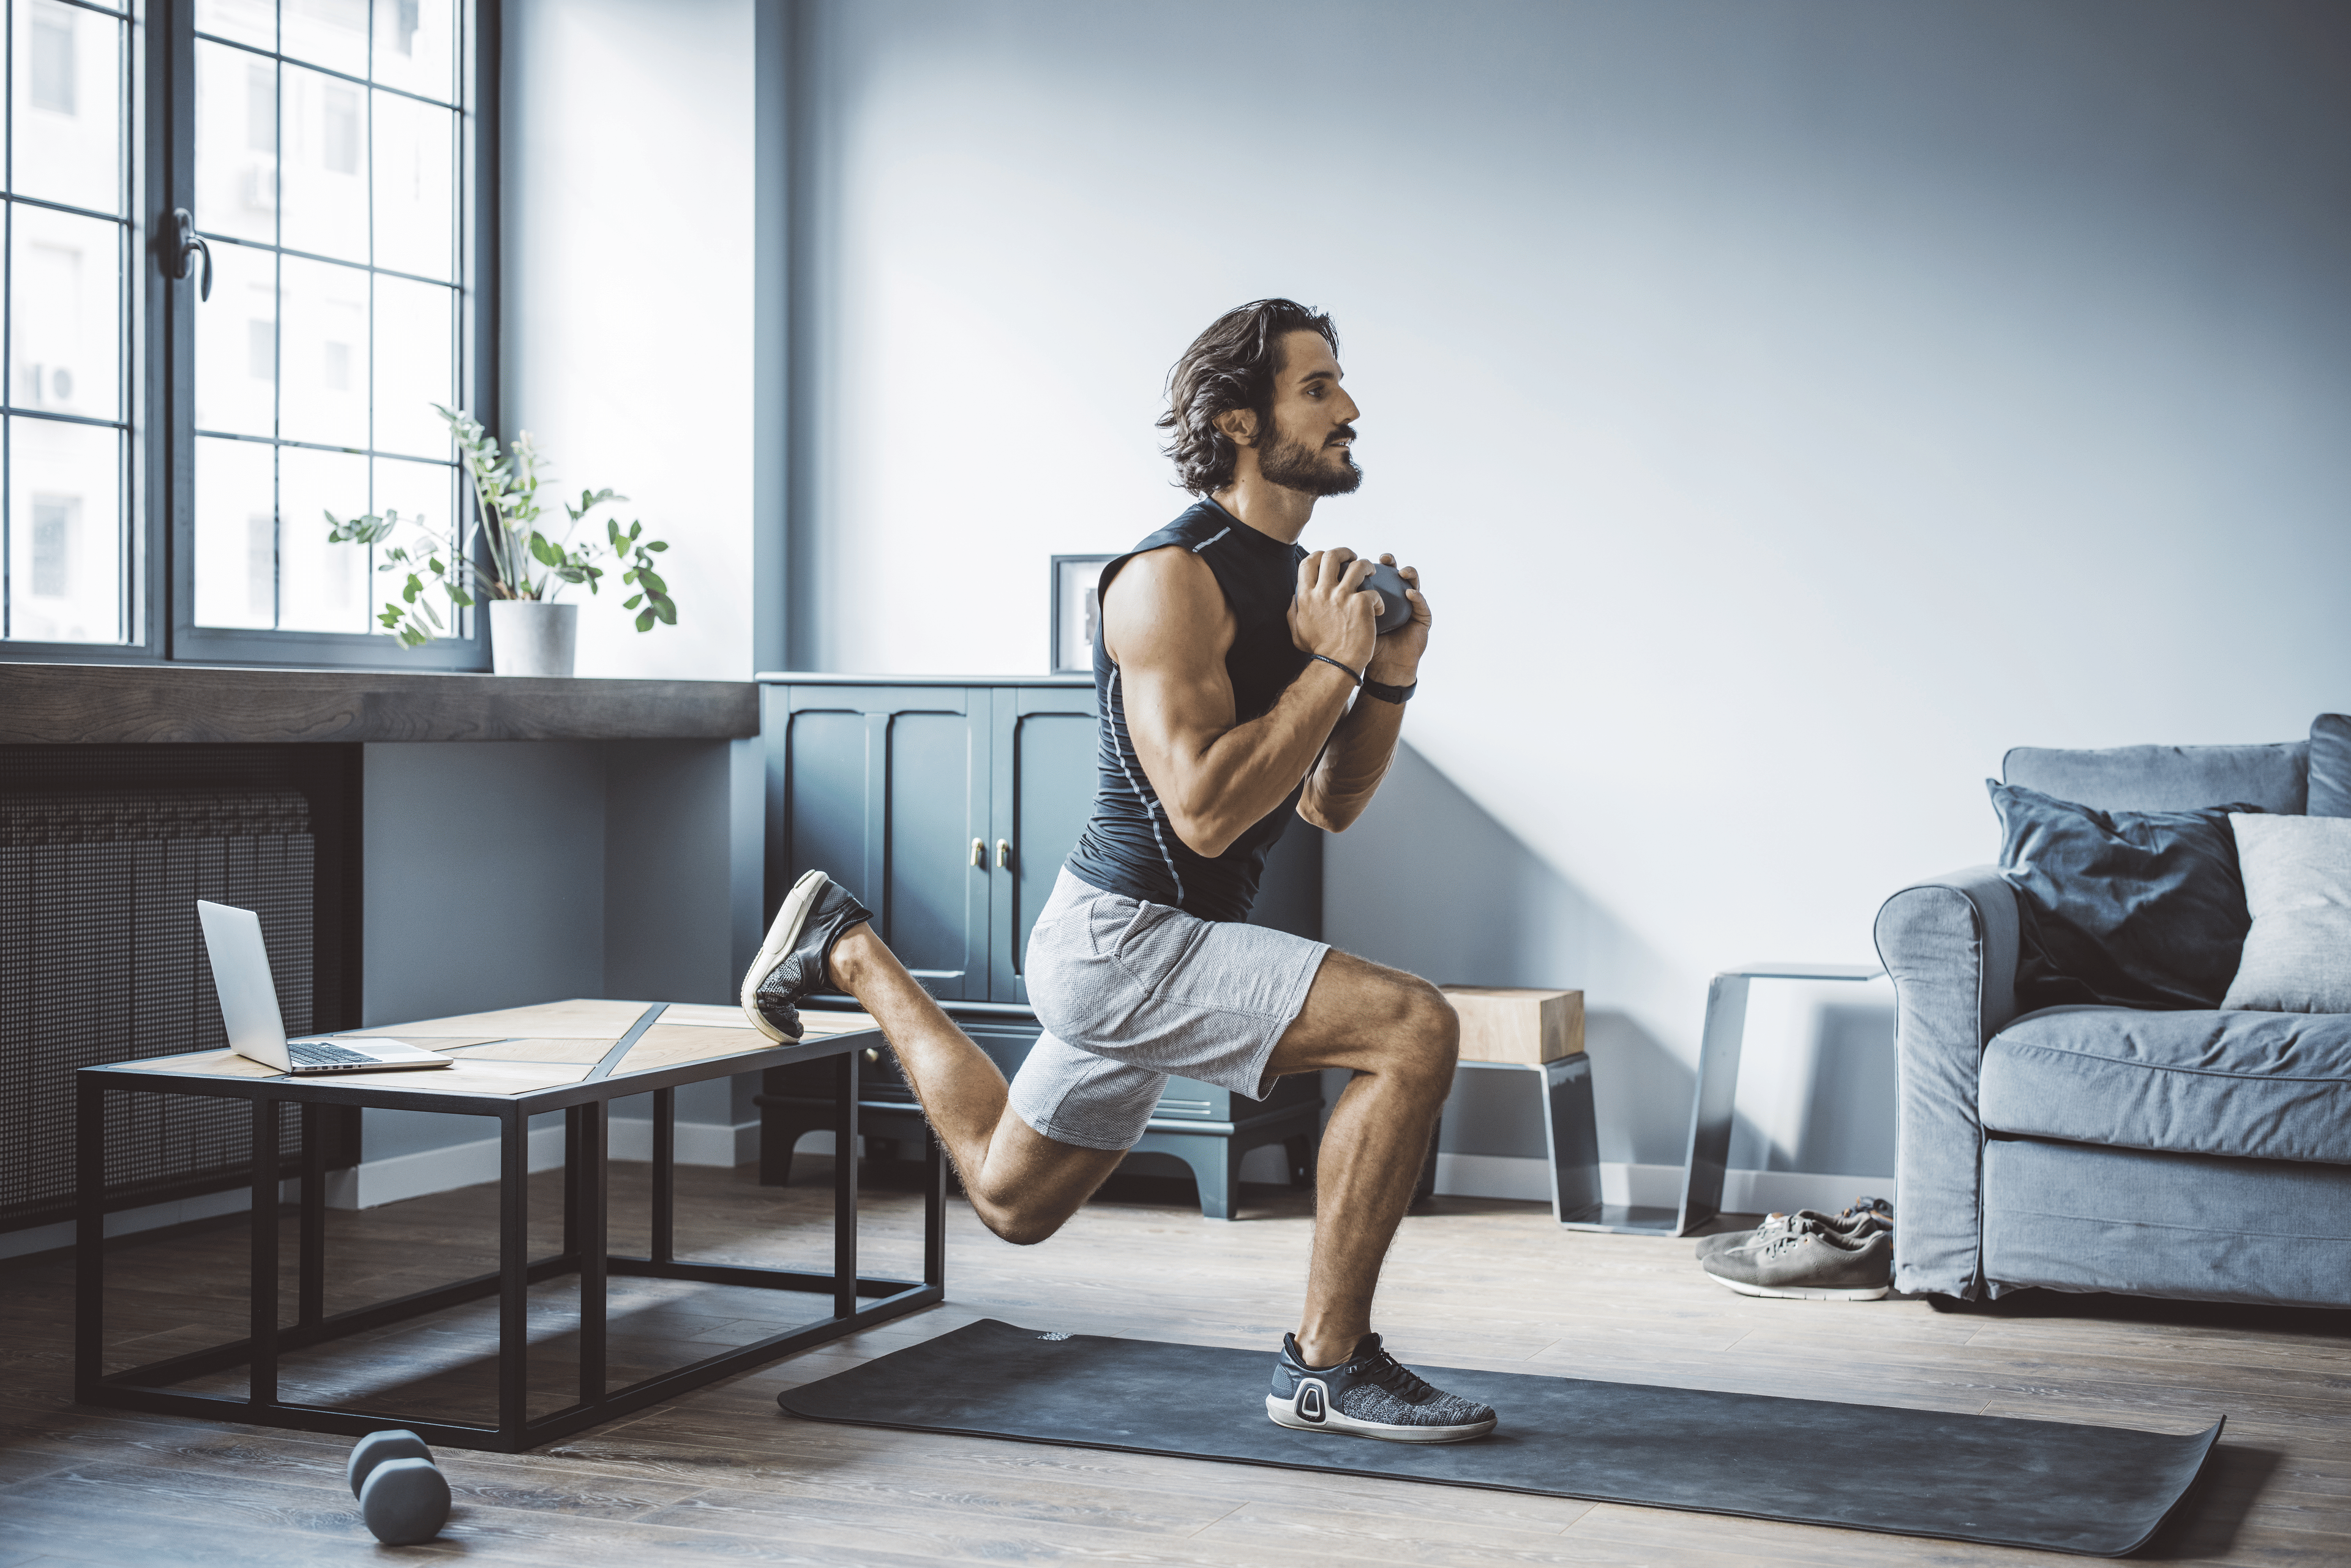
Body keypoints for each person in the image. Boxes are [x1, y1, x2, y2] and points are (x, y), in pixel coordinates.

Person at [743, 299, 1491, 1444]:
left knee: (1009, 1197)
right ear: (1240, 421)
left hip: (1140, 949)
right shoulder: (1166, 577)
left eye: (1342, 384)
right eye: (1319, 386)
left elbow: (1329, 805)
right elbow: (1199, 813)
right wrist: (1333, 666)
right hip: (1131, 939)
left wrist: (1387, 671)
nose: (1349, 407)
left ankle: (844, 942)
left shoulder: (1297, 589)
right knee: (1414, 1029)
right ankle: (1327, 1366)